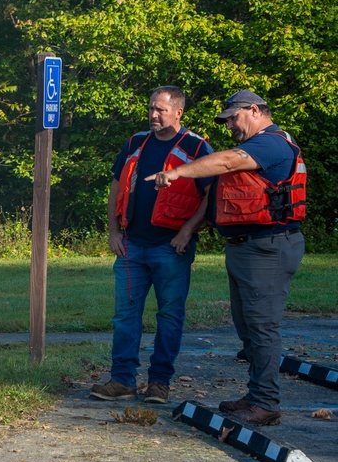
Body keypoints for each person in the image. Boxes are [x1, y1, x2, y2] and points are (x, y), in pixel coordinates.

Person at [146, 90, 305, 426]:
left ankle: (266, 402)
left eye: (234, 117)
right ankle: (256, 393)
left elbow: (228, 160)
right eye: (227, 119)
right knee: (247, 326)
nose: (230, 124)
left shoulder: (270, 143)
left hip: (267, 247)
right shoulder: (260, 143)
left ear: (254, 110)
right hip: (248, 247)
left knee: (262, 327)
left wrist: (177, 172)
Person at [90, 86, 213, 404]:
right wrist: (114, 231)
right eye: (151, 109)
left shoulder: (196, 147)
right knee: (125, 316)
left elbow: (210, 197)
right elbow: (117, 187)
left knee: (170, 315)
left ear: (178, 113)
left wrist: (187, 231)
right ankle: (122, 380)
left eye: (160, 109)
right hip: (131, 246)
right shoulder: (135, 143)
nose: (153, 115)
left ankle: (159, 383)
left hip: (171, 248)